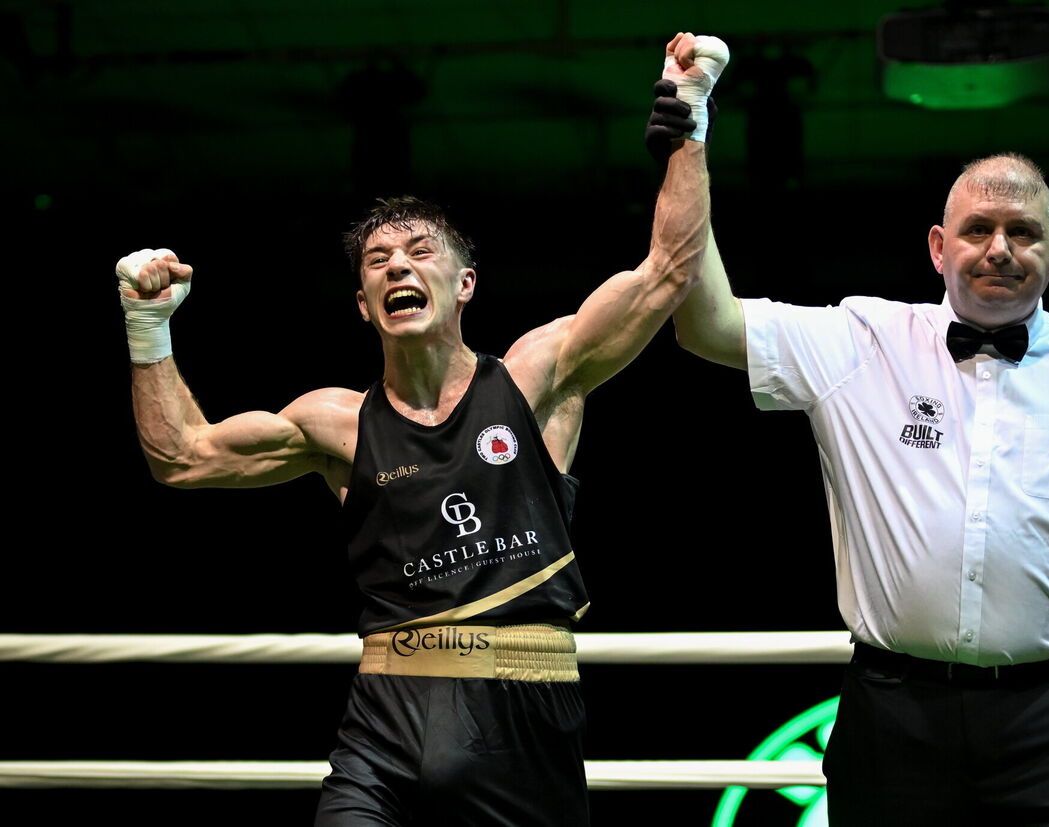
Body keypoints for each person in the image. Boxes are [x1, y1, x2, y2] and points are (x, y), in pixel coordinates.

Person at [115, 33, 725, 827]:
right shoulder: (332, 423)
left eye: (419, 251)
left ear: (464, 283)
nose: (398, 266)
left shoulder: (538, 377)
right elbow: (181, 458)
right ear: (364, 305)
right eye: (377, 260)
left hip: (522, 715)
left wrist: (689, 117)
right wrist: (146, 328)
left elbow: (669, 270)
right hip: (385, 723)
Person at [652, 87, 1049, 824]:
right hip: (894, 713)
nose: (1000, 248)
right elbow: (704, 322)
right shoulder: (861, 340)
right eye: (978, 229)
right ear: (939, 246)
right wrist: (691, 140)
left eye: (1023, 232)